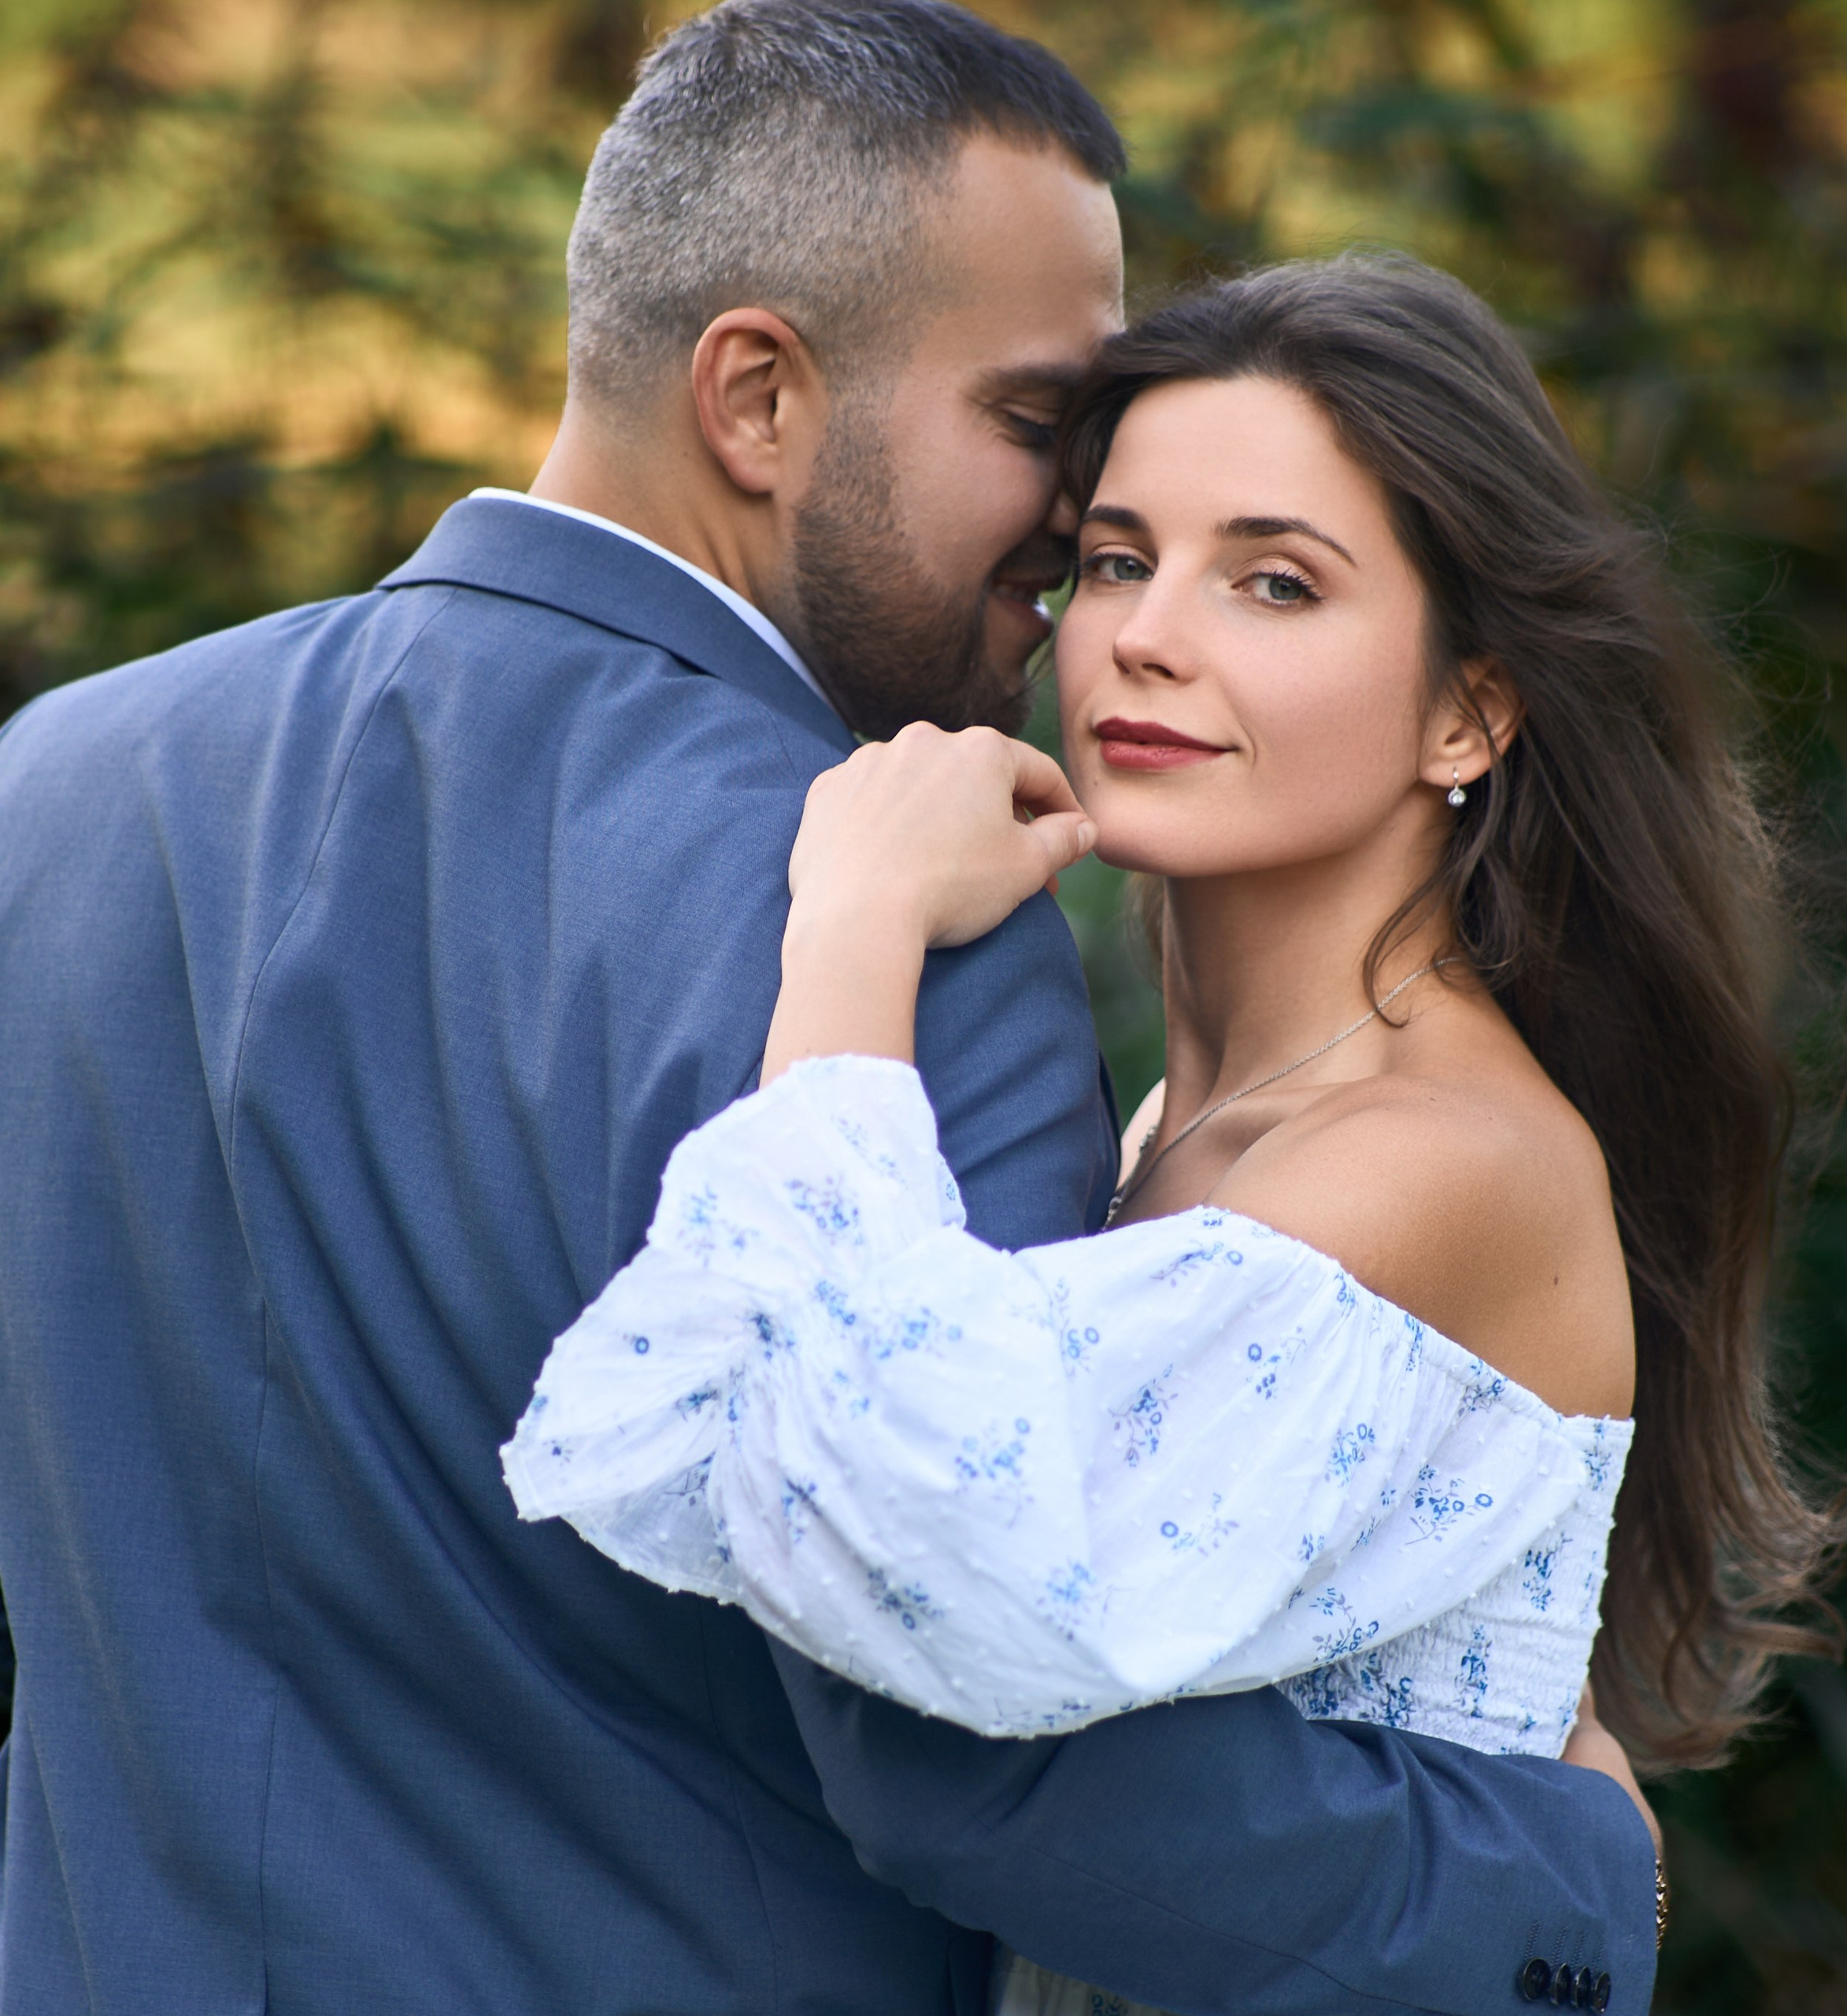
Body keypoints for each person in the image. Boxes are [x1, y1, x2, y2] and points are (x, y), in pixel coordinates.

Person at [0, 7, 1659, 2014]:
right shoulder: (885, 918)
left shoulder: (55, 787)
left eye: (1260, 575)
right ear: (760, 398)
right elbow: (965, 1733)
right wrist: (1551, 1876)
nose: (1081, 558)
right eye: (1049, 438)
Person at [505, 254, 1847, 2013]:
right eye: (1117, 558)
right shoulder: (1185, 1124)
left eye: (1273, 581)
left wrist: (851, 924)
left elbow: (902, 1537)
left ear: (1468, 707)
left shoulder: (1434, 1155)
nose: (1142, 630)